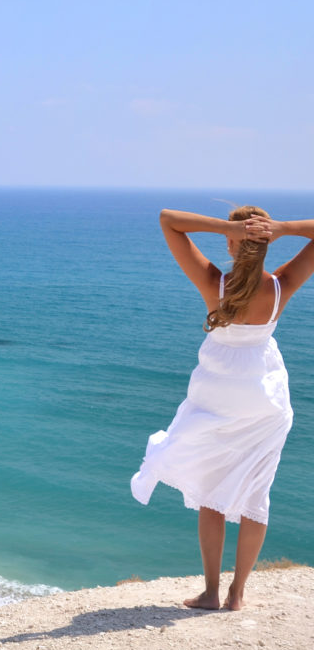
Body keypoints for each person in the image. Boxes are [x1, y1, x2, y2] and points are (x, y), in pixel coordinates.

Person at [131, 206, 314, 611]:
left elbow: (167, 219)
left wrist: (228, 227)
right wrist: (282, 228)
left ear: (233, 243)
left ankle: (212, 592)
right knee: (257, 494)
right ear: (265, 244)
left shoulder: (215, 285)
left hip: (216, 399)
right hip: (264, 402)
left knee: (211, 494)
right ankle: (237, 595)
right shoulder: (280, 286)